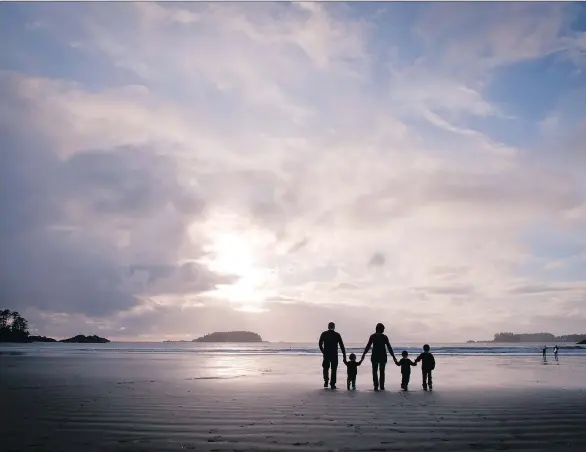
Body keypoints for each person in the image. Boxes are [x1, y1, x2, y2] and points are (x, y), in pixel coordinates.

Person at [360, 323, 397, 391]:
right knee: (382, 371)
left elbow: (368, 346)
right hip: (383, 356)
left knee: (374, 371)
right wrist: (393, 356)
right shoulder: (384, 337)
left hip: (375, 355)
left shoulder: (372, 336)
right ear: (381, 329)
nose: (383, 330)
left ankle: (376, 385)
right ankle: (382, 385)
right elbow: (389, 347)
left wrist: (364, 354)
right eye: (383, 329)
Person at [318, 322, 346, 389]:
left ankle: (326, 381)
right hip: (334, 354)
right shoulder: (337, 335)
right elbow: (342, 346)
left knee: (325, 368)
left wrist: (323, 351)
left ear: (328, 327)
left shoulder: (324, 334)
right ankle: (332, 384)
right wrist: (344, 355)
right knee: (334, 369)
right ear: (334, 327)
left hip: (326, 354)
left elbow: (320, 344)